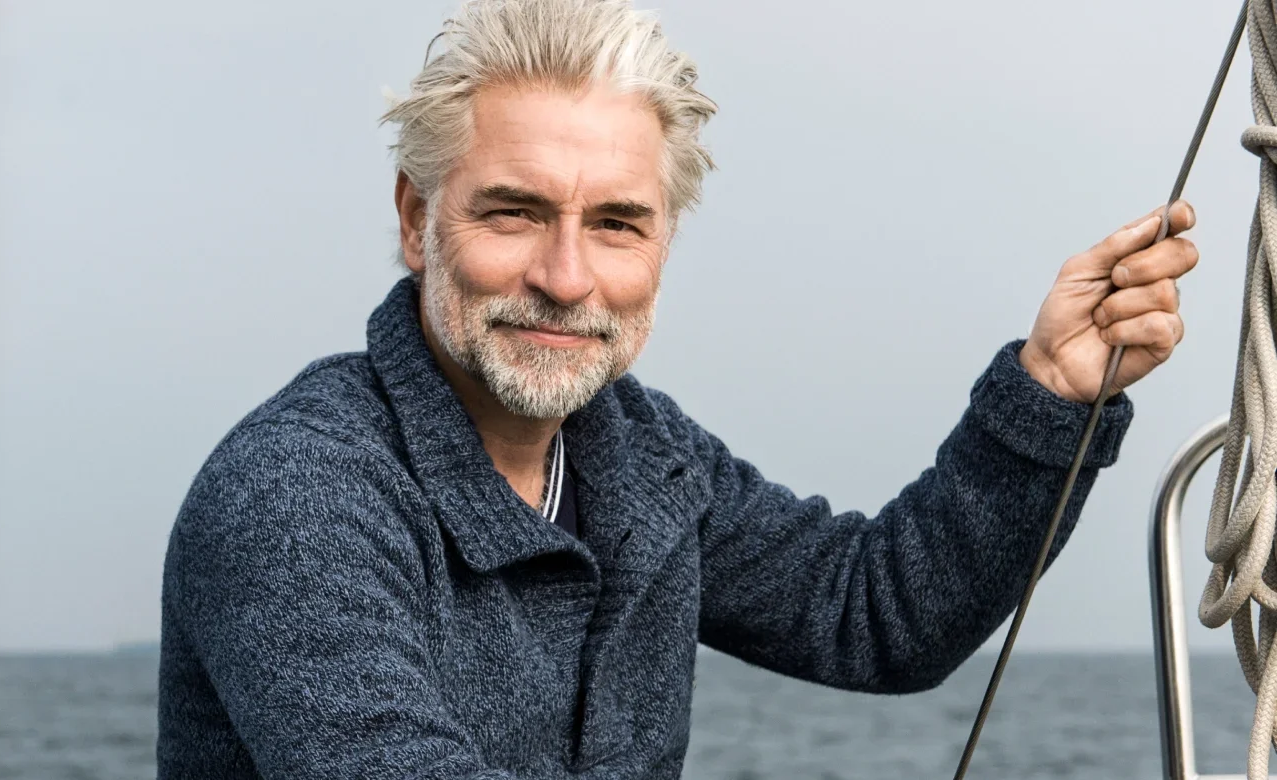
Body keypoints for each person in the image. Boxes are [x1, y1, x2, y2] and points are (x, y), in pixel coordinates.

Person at [155, 0, 1200, 777]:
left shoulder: (639, 454)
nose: (566, 278)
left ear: (664, 241)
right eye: (513, 212)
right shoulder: (295, 494)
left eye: (617, 223)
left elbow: (872, 614)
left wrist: (1050, 395)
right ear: (413, 219)